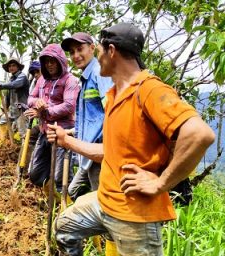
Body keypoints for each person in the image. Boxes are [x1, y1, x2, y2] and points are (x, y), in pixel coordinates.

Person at [47, 23, 215, 255]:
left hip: (134, 216)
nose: (97, 59)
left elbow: (200, 134)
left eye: (98, 52)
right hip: (104, 201)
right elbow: (108, 150)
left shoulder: (149, 89)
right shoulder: (114, 94)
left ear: (111, 51)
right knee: (64, 228)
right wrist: (67, 140)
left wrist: (161, 183)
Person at [61, 32, 113, 201]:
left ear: (92, 48)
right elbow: (93, 117)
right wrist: (73, 132)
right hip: (88, 154)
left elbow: (112, 112)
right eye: (72, 52)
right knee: (74, 191)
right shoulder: (85, 78)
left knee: (102, 204)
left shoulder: (99, 73)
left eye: (79, 49)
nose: (76, 55)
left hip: (100, 153)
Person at [24, 44, 80, 193]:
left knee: (61, 178)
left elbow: (69, 106)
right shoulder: (41, 80)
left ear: (60, 61)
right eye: (46, 61)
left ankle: (66, 207)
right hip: (45, 132)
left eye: (53, 61)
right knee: (36, 175)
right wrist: (37, 103)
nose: (49, 64)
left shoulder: (70, 80)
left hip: (62, 132)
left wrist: (44, 112)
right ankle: (50, 197)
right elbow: (31, 98)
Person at [0, 58, 30, 139]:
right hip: (12, 111)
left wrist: (0, 85)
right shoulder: (11, 79)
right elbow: (7, 97)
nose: (11, 67)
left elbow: (15, 85)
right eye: (10, 66)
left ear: (18, 67)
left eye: (14, 65)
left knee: (23, 134)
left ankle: (25, 150)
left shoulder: (22, 77)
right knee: (1, 120)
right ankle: (4, 143)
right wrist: (2, 111)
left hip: (22, 111)